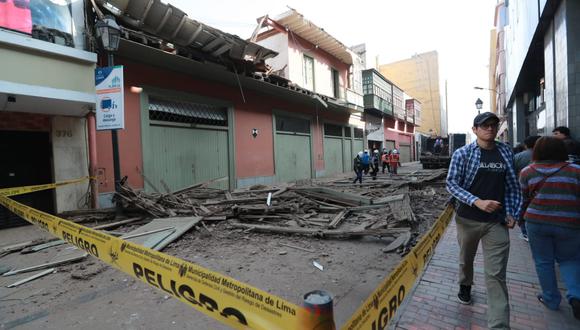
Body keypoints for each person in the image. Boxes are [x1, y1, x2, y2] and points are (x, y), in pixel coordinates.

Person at [446, 112, 522, 330]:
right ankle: (465, 285)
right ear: (475, 129)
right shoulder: (463, 154)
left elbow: (512, 186)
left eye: (493, 125)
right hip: (467, 219)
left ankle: (498, 325)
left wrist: (513, 212)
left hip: (496, 222)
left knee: (496, 275)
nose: (490, 128)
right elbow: (451, 184)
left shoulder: (505, 152)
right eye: (484, 125)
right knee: (466, 259)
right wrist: (476, 201)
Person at [518, 136, 580, 320]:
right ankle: (576, 296)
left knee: (543, 261)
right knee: (570, 260)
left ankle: (551, 298)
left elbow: (524, 198)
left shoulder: (528, 171)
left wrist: (520, 218)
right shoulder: (576, 171)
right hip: (570, 223)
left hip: (537, 222)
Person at [514, 135, 541, 241]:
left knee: (524, 208)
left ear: (526, 145)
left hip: (522, 188)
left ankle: (525, 232)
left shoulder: (519, 156)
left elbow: (512, 171)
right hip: (542, 191)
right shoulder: (549, 156)